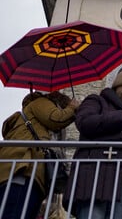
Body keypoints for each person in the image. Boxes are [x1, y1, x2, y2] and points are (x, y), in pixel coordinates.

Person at [63, 67, 122, 219]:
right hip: (94, 173)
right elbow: (85, 123)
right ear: (118, 85)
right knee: (93, 214)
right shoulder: (96, 100)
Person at [0, 91, 79, 219]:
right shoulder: (40, 102)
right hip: (23, 169)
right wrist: (72, 108)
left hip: (22, 173)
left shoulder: (30, 117)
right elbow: (56, 119)